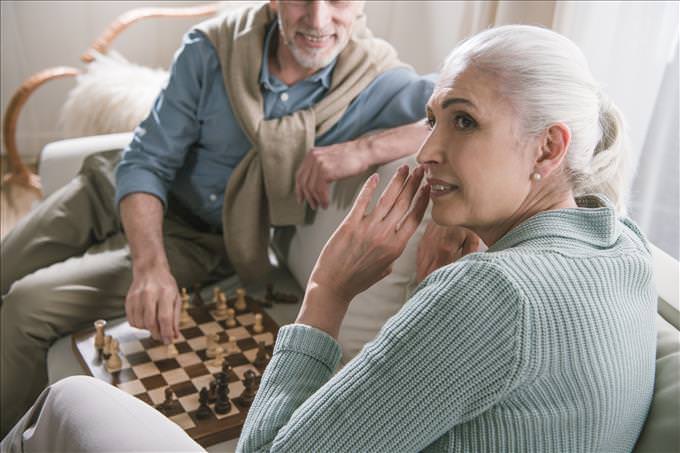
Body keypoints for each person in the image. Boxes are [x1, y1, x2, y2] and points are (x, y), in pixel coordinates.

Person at [1, 23, 657, 453]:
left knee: (66, 399)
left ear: (549, 148)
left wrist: (326, 290)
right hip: (141, 199)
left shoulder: (490, 291)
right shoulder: (624, 247)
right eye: (434, 119)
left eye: (462, 122)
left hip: (207, 251)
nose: (427, 151)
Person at [0, 0, 437, 436]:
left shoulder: (375, 79)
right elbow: (147, 159)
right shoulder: (212, 48)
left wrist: (366, 148)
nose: (319, 19)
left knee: (23, 307)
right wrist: (149, 267)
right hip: (111, 186)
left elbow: (460, 109)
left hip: (198, 238)